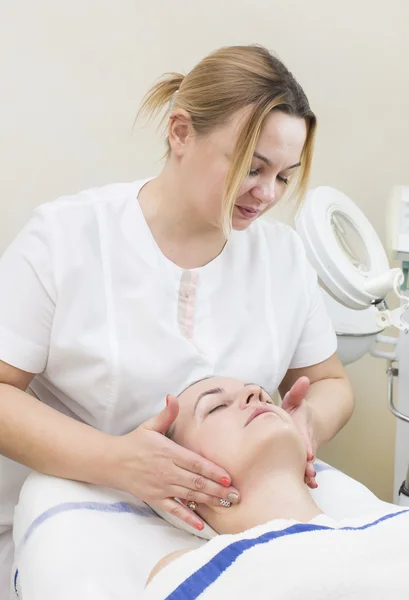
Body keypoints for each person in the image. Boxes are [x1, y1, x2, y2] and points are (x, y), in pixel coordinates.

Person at [0, 44, 353, 595]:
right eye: (251, 167)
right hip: (79, 518)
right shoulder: (65, 238)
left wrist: (307, 427)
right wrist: (117, 461)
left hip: (233, 526)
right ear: (181, 132)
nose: (266, 194)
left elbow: (331, 382)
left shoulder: (282, 258)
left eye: (285, 176)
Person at [144, 377, 409, 598]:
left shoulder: (397, 530)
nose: (255, 392)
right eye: (216, 407)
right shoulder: (192, 570)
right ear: (180, 486)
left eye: (265, 397)